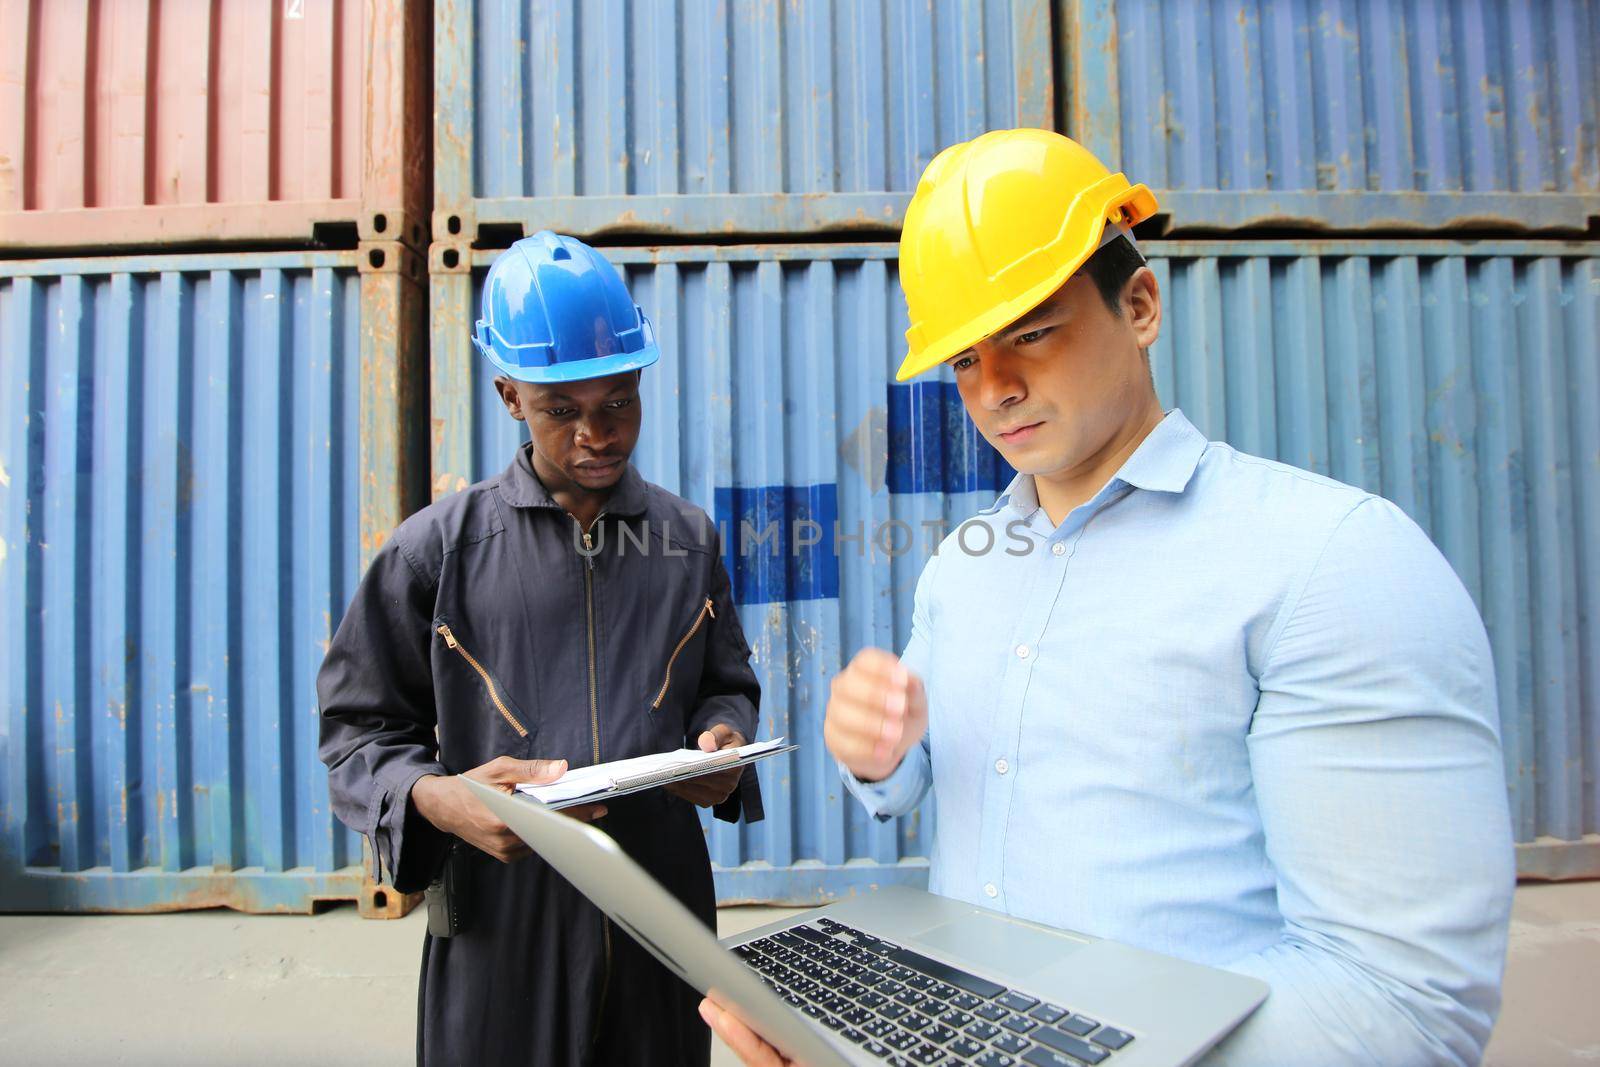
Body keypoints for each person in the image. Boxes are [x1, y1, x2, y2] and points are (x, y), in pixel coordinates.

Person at [700, 129, 1514, 1066]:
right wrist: (879, 754)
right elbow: (915, 781)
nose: (996, 387)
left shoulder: (1330, 562)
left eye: (1033, 331)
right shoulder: (965, 564)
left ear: (1138, 304)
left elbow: (1404, 1003)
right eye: (966, 358)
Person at [319, 231, 763, 1065]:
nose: (598, 433)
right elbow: (358, 732)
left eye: (620, 401)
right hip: (502, 928)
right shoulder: (436, 555)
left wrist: (724, 740)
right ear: (510, 396)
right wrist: (433, 798)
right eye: (563, 409)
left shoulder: (687, 542)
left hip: (661, 921)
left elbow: (726, 686)